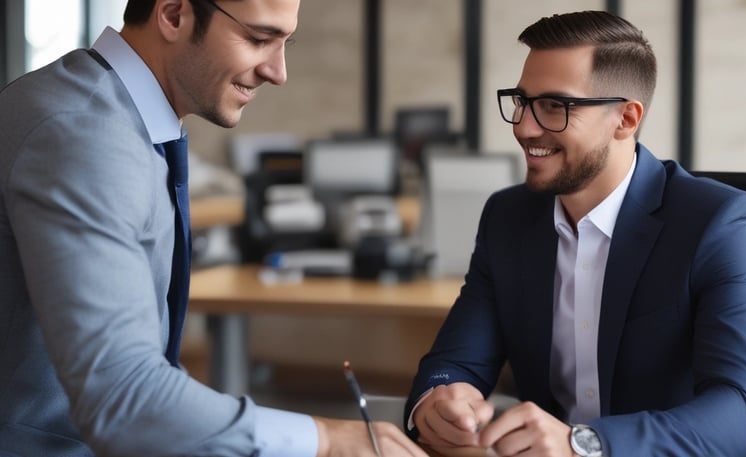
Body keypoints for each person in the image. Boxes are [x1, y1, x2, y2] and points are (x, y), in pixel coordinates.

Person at [0, 0, 427, 456]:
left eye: (285, 43)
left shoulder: (118, 117)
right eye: (259, 40)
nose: (279, 73)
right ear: (173, 15)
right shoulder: (84, 136)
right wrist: (325, 442)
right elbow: (125, 398)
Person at [405, 10, 746, 457]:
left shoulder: (720, 224)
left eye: (555, 106)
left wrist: (585, 444)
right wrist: (440, 400)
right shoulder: (508, 217)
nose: (524, 127)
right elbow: (455, 362)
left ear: (626, 119)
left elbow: (744, 416)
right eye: (522, 101)